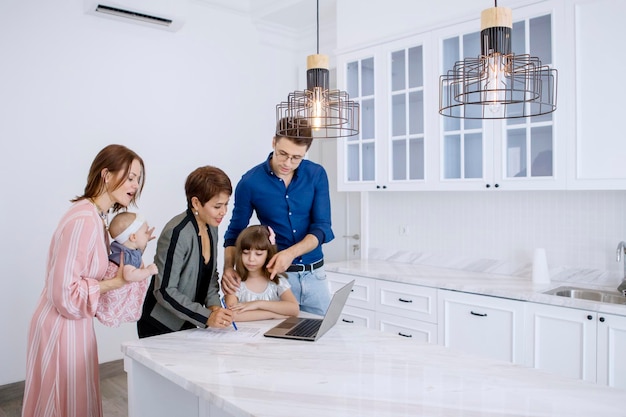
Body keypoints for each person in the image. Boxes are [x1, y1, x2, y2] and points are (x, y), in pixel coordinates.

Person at [22, 144, 150, 417]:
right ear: (106, 174)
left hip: (73, 324)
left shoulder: (96, 217)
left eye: (138, 179)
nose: (135, 185)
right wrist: (114, 284)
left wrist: (136, 249)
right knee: (61, 405)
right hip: (60, 326)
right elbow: (64, 292)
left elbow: (100, 270)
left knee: (73, 402)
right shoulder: (84, 219)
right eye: (130, 177)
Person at [222, 117, 335, 316]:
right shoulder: (250, 182)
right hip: (278, 279)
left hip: (315, 277)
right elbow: (234, 232)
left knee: (324, 338)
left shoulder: (316, 174)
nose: (288, 163)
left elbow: (322, 227)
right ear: (274, 142)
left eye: (296, 158)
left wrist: (290, 253)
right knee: (279, 341)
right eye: (283, 154)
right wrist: (227, 268)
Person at [137, 165, 235, 338]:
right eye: (218, 206)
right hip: (160, 326)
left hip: (189, 322)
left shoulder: (212, 226)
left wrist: (215, 307)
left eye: (226, 204)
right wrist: (207, 317)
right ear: (196, 202)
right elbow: (164, 291)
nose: (224, 212)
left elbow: (210, 275)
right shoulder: (176, 233)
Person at [224, 225, 299, 321]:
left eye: (258, 254)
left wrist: (257, 304)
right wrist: (272, 314)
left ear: (268, 254)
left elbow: (294, 309)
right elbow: (232, 315)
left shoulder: (276, 280)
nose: (251, 259)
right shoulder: (234, 282)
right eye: (246, 253)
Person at [108, 211, 158, 282]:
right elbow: (129, 276)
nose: (147, 235)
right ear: (133, 237)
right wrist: (148, 271)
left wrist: (145, 240)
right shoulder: (127, 256)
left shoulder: (127, 251)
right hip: (121, 292)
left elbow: (138, 253)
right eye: (145, 233)